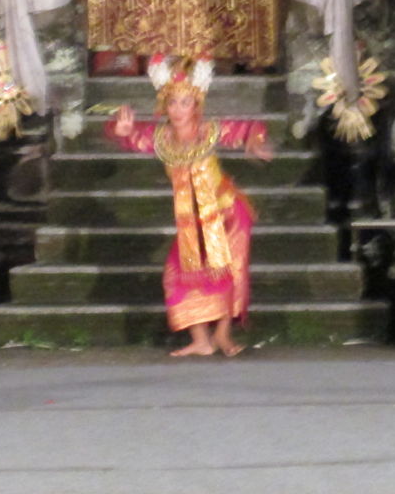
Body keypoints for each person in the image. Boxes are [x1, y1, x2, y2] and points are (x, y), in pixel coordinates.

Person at [107, 54, 272, 357]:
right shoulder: (160, 137)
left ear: (196, 104)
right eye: (172, 103)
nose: (178, 109)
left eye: (185, 103)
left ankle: (222, 334)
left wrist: (254, 141)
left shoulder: (210, 130)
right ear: (164, 105)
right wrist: (122, 132)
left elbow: (250, 127)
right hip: (191, 221)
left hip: (227, 212)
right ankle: (201, 340)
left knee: (229, 271)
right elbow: (129, 135)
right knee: (178, 274)